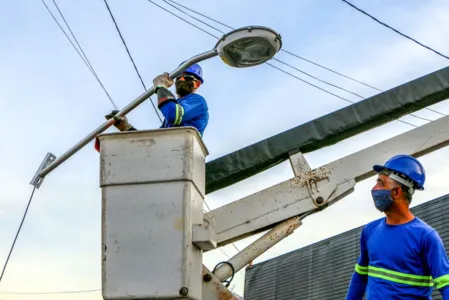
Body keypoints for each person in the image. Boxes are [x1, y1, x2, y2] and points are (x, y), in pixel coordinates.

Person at [346, 154, 449, 300]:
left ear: (396, 192)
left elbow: (446, 285)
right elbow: (360, 277)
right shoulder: (369, 231)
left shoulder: (426, 236)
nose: (374, 189)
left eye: (380, 183)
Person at [94, 63, 209, 151]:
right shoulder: (172, 114)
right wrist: (126, 127)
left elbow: (173, 114)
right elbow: (152, 143)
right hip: (169, 156)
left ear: (197, 84)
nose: (182, 79)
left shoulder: (197, 101)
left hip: (182, 154)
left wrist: (161, 88)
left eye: (188, 77)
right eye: (179, 77)